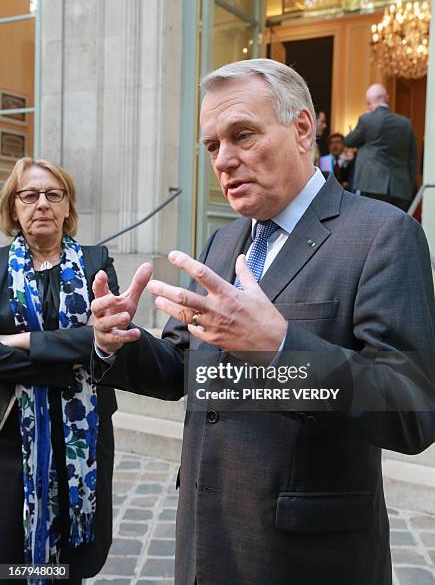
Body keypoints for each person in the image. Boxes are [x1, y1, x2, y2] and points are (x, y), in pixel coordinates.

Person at [91, 59, 435, 585]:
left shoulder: (382, 235)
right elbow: (182, 367)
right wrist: (119, 342)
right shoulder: (224, 242)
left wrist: (281, 351)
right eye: (212, 146)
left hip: (306, 558)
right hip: (205, 542)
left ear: (302, 130)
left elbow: (412, 409)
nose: (224, 160)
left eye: (243, 135)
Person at [0, 158, 119, 583]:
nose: (42, 204)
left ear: (68, 208)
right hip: (13, 436)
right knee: (11, 549)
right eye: (29, 195)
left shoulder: (95, 263)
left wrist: (20, 343)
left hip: (82, 436)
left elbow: (103, 340)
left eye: (54, 194)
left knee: (73, 557)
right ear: (14, 209)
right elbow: (82, 343)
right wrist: (62, 363)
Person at [343, 83, 417, 210]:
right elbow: (412, 159)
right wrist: (410, 187)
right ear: (386, 98)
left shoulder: (367, 119)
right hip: (401, 189)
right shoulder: (406, 123)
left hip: (372, 185)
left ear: (369, 103)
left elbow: (349, 141)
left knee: (374, 226)